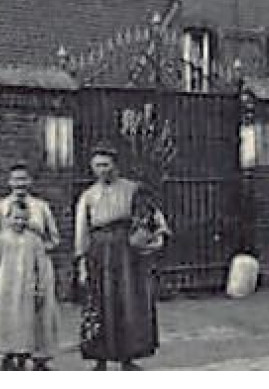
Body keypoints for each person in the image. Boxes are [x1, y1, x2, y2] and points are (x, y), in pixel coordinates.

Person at [74, 145, 170, 370]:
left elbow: (152, 215)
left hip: (128, 253)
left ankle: (128, 358)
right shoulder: (88, 196)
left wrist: (157, 236)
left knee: (128, 302)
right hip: (99, 253)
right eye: (97, 166)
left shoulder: (133, 189)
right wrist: (81, 262)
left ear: (115, 165)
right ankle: (100, 359)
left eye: (106, 165)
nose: (102, 170)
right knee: (100, 303)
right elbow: (82, 231)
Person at [0, 164, 62, 370]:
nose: (20, 184)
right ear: (9, 182)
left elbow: (54, 239)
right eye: (16, 180)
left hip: (36, 266)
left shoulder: (41, 207)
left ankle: (39, 357)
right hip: (7, 269)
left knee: (39, 312)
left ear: (30, 181)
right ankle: (9, 353)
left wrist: (36, 239)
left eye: (24, 179)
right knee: (8, 312)